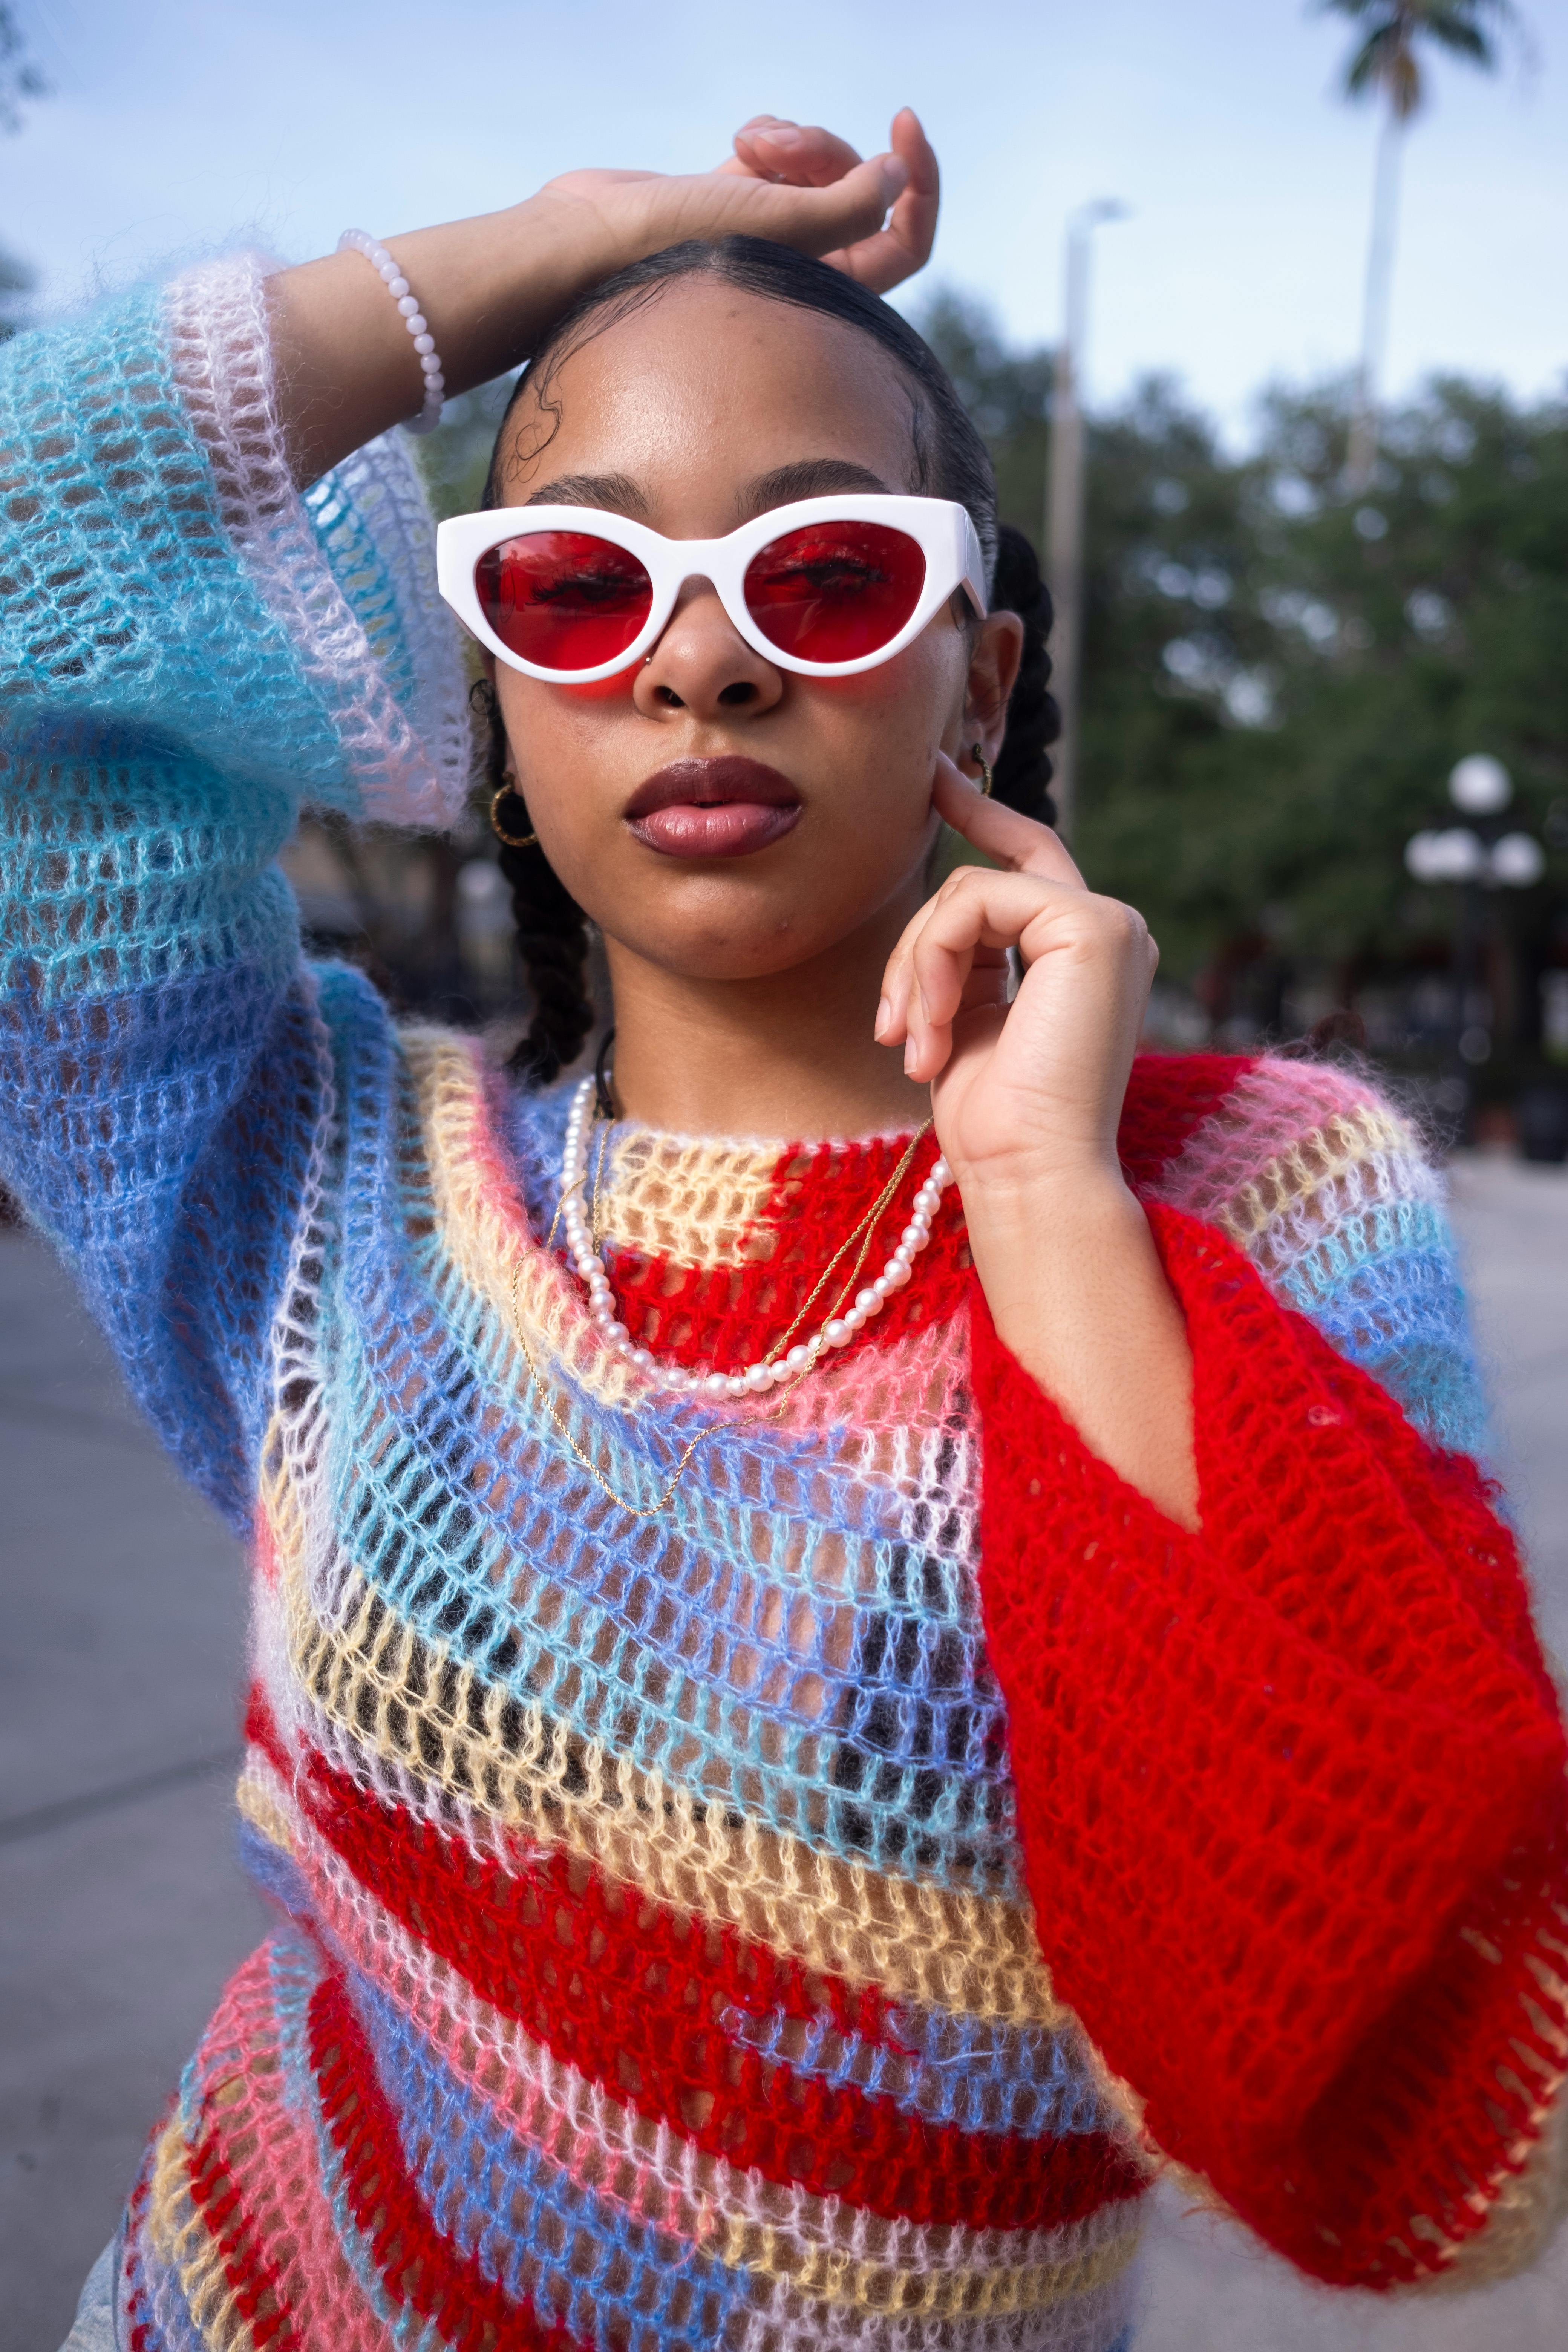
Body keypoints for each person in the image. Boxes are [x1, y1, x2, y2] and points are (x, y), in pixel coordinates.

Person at [7, 109, 1564, 2352]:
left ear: (983, 672)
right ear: (505, 700)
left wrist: (1041, 1202)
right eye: (581, 581)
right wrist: (539, 261)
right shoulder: (312, 1183)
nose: (703, 664)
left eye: (824, 571)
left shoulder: (1255, 1203)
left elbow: (1429, 2123)